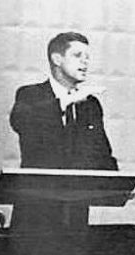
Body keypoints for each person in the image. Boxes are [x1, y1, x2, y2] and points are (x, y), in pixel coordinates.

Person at [10, 31, 118, 170]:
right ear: (57, 59)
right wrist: (66, 101)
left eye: (87, 57)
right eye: (77, 55)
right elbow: (21, 122)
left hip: (83, 190)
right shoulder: (29, 94)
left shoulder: (91, 104)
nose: (85, 62)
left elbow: (104, 157)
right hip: (41, 188)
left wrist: (118, 187)